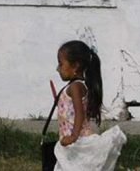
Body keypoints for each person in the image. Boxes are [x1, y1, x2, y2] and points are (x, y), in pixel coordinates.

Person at [54, 40, 127, 171]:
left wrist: (73, 136)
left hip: (77, 140)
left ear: (75, 65)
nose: (57, 68)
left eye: (61, 64)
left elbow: (79, 113)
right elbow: (70, 109)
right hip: (71, 142)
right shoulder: (75, 86)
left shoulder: (76, 86)